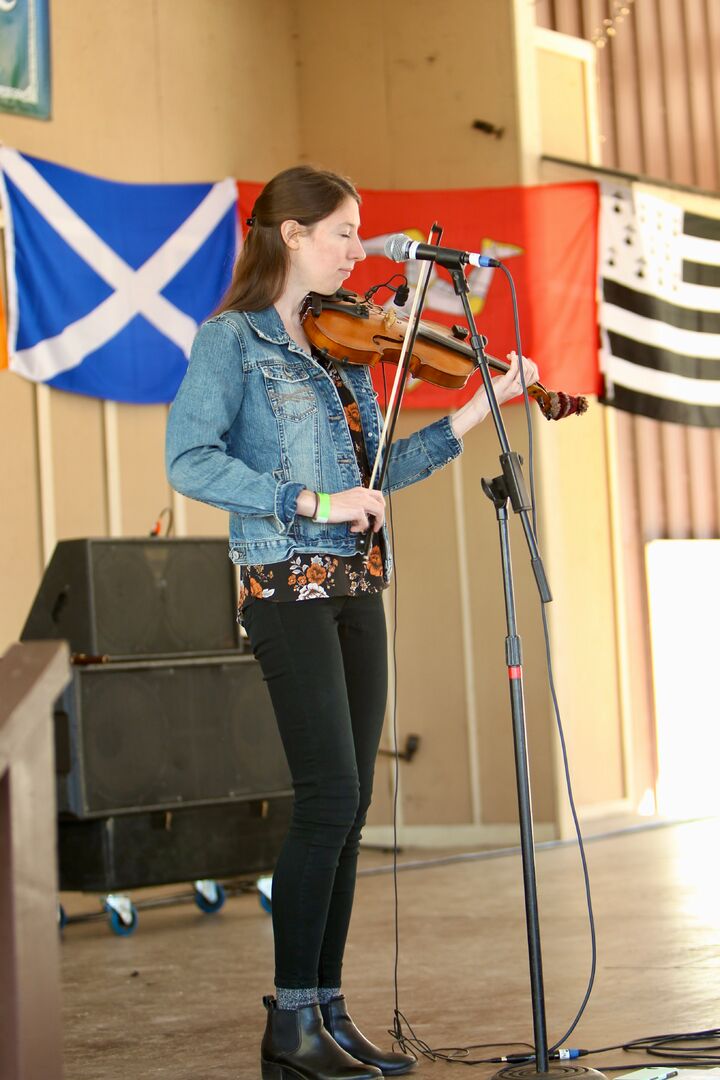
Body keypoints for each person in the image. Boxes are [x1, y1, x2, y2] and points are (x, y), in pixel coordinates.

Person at [166, 165, 538, 1080]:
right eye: (343, 233)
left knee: (354, 805)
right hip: (285, 584)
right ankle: (289, 1026)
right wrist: (307, 497)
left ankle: (327, 1012)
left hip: (358, 582)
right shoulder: (233, 341)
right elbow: (190, 458)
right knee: (328, 796)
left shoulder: (346, 349)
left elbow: (376, 472)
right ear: (291, 236)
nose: (357, 248)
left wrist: (470, 416)